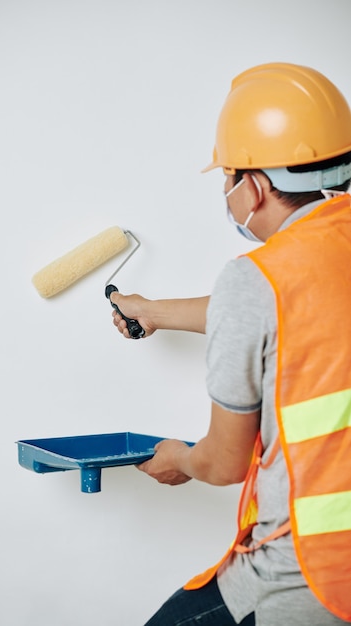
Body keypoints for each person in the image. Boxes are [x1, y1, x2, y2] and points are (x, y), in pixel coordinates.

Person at [110, 63, 351, 625]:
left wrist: (178, 458)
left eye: (228, 178)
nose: (226, 191)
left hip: (313, 571)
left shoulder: (257, 278)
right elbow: (295, 317)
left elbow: (223, 462)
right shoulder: (312, 265)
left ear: (257, 185)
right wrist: (153, 312)